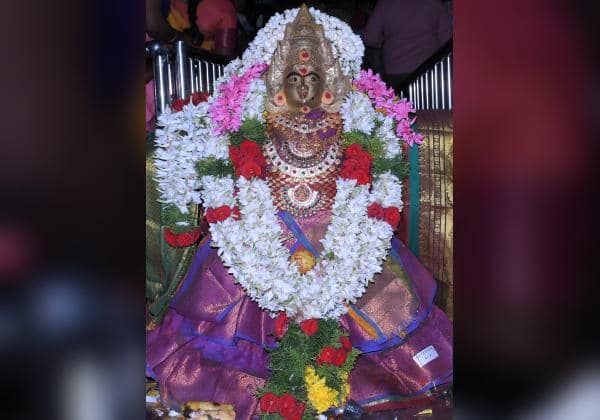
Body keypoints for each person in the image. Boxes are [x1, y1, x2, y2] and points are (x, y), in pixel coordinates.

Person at [147, 6, 452, 418]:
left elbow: (371, 177)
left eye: (314, 76)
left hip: (343, 242)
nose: (304, 85)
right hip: (260, 242)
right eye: (294, 76)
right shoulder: (248, 113)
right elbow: (221, 170)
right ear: (275, 77)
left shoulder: (355, 115)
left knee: (375, 305)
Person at [362, 0, 451, 89]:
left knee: (399, 97)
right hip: (429, 69)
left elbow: (370, 38)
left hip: (395, 69)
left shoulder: (385, 3)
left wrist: (384, 41)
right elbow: (447, 40)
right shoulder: (434, 3)